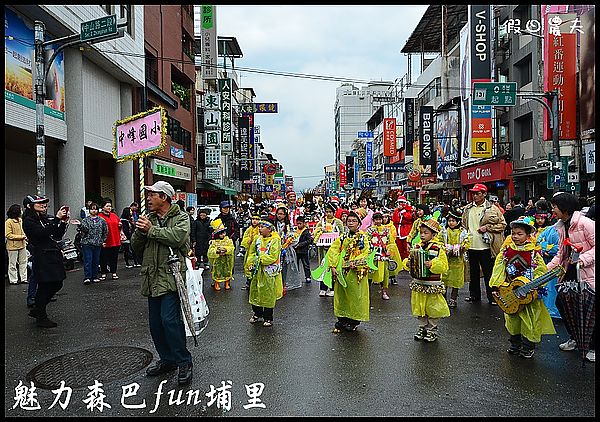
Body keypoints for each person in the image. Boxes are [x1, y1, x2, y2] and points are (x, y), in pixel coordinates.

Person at [131, 180, 193, 385]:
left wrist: (151, 230)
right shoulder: (147, 218)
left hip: (170, 277)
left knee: (170, 321)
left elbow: (176, 238)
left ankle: (183, 361)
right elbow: (135, 248)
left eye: (152, 195)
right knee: (155, 324)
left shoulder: (181, 218)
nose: (148, 199)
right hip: (151, 276)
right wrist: (140, 232)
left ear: (164, 197)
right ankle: (167, 359)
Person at [490, 216, 555, 359]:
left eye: (519, 234)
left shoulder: (534, 253)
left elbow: (541, 271)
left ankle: (527, 347)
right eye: (513, 233)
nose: (515, 236)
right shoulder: (506, 251)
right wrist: (497, 284)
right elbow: (499, 268)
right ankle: (515, 344)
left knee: (530, 320)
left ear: (527, 235)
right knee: (513, 319)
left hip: (528, 292)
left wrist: (537, 286)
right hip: (511, 290)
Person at [547, 192, 595, 363]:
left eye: (555, 206)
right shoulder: (561, 226)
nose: (553, 210)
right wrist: (544, 270)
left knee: (588, 310)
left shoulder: (585, 223)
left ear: (565, 208)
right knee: (563, 302)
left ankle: (592, 346)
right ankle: (575, 337)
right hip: (570, 272)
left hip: (587, 273)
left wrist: (582, 260)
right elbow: (561, 254)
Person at [23, 195, 69, 328]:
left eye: (45, 203)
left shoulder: (45, 218)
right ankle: (41, 316)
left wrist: (63, 222)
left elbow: (56, 235)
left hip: (53, 254)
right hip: (42, 256)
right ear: (30, 206)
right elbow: (42, 234)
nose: (44, 205)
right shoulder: (28, 220)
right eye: (40, 203)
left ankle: (38, 309)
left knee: (57, 283)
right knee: (44, 286)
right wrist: (56, 219)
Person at [402, 218, 449, 342]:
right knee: (420, 306)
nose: (422, 235)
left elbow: (444, 266)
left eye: (425, 233)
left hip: (432, 284)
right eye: (421, 232)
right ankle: (422, 327)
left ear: (433, 234)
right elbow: (409, 259)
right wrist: (408, 263)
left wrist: (433, 264)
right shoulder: (417, 247)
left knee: (432, 307)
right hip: (419, 283)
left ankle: (432, 329)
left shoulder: (438, 248)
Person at [326, 208, 371, 333]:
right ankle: (342, 318)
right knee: (341, 295)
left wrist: (354, 263)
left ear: (359, 223)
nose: (350, 223)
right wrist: (334, 266)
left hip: (354, 271)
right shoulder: (342, 237)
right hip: (341, 270)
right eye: (349, 220)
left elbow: (365, 253)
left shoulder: (363, 238)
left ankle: (353, 321)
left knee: (355, 295)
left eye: (354, 221)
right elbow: (334, 250)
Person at [461, 183, 506, 305]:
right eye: (473, 194)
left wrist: (488, 227)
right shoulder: (467, 209)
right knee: (473, 272)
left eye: (477, 193)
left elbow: (502, 225)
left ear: (484, 194)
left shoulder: (493, 209)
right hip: (471, 245)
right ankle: (474, 295)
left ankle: (492, 297)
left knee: (489, 272)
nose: (474, 196)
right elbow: (464, 225)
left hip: (487, 246)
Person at [245, 217, 284, 327]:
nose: (260, 229)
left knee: (268, 294)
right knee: (255, 292)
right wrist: (251, 262)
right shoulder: (257, 239)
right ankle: (257, 313)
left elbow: (273, 256)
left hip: (268, 272)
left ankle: (268, 317)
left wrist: (259, 260)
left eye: (262, 227)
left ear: (270, 229)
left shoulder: (275, 240)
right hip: (257, 271)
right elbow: (251, 253)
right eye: (259, 227)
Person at [312, 202, 344, 297]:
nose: (328, 214)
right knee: (323, 267)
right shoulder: (321, 222)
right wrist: (321, 231)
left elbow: (342, 234)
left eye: (330, 212)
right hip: (323, 250)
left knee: (333, 267)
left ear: (334, 212)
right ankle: (323, 288)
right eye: (327, 212)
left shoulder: (338, 222)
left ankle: (333, 288)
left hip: (334, 250)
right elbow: (315, 233)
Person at [441, 208, 471, 309]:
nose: (451, 223)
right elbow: (439, 241)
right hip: (446, 259)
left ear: (458, 222)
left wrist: (460, 247)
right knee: (444, 278)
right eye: (449, 221)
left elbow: (467, 243)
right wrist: (445, 248)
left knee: (456, 280)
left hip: (458, 261)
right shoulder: (444, 231)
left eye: (453, 221)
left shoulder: (463, 232)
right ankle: (443, 297)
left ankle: (453, 298)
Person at [534, 209, 560, 318]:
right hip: (549, 262)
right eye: (538, 218)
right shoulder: (550, 230)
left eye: (542, 218)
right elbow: (538, 242)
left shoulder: (551, 230)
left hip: (554, 262)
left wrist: (545, 249)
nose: (540, 221)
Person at [367, 212, 394, 300]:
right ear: (373, 220)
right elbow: (366, 242)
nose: (378, 221)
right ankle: (367, 292)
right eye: (376, 219)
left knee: (385, 275)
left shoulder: (386, 230)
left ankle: (384, 292)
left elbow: (391, 242)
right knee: (370, 275)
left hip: (383, 255)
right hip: (373, 255)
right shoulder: (369, 230)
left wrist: (389, 250)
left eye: (380, 219)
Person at [79, 202, 108, 284]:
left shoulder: (102, 220)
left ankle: (94, 276)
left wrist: (103, 240)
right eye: (92, 209)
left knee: (96, 260)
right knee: (88, 260)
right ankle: (87, 277)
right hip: (87, 243)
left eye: (95, 209)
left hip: (97, 243)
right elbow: (85, 229)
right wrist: (79, 225)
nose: (93, 211)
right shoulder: (85, 220)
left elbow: (105, 231)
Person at [207, 219, 235, 291]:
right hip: (217, 261)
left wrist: (226, 250)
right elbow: (210, 251)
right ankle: (216, 283)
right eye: (221, 233)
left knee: (227, 271)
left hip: (227, 260)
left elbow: (232, 248)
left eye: (224, 233)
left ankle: (227, 283)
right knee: (217, 272)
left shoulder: (228, 240)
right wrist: (217, 251)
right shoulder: (213, 242)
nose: (223, 235)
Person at [98, 199, 122, 281]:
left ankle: (114, 272)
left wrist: (120, 225)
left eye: (110, 206)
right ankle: (103, 273)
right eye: (107, 206)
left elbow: (119, 225)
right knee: (103, 258)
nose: (109, 208)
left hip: (115, 240)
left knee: (114, 258)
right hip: (105, 241)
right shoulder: (100, 217)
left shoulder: (114, 215)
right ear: (103, 207)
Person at [5, 204, 28, 285]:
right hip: (12, 246)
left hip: (22, 245)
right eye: (20, 210)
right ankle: (13, 279)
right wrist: (21, 237)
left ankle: (24, 278)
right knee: (12, 264)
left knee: (23, 262)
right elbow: (8, 235)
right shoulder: (8, 222)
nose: (21, 211)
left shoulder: (21, 220)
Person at [241, 213, 262, 289]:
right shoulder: (248, 229)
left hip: (258, 251)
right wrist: (248, 240)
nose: (254, 221)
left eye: (257, 219)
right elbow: (244, 239)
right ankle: (248, 283)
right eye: (253, 219)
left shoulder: (261, 229)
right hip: (249, 251)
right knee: (248, 266)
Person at [392, 196, 414, 260]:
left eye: (402, 202)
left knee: (407, 249)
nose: (400, 204)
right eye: (399, 202)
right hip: (397, 232)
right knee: (399, 249)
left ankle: (408, 262)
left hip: (406, 232)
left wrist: (404, 212)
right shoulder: (396, 211)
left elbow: (409, 218)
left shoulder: (409, 210)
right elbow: (394, 220)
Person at [293, 215, 313, 282]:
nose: (299, 225)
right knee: (296, 264)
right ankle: (296, 277)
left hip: (303, 251)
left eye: (300, 224)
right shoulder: (295, 231)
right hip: (296, 251)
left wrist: (301, 244)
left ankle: (308, 276)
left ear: (304, 223)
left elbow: (309, 240)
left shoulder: (306, 231)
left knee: (306, 264)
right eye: (297, 224)